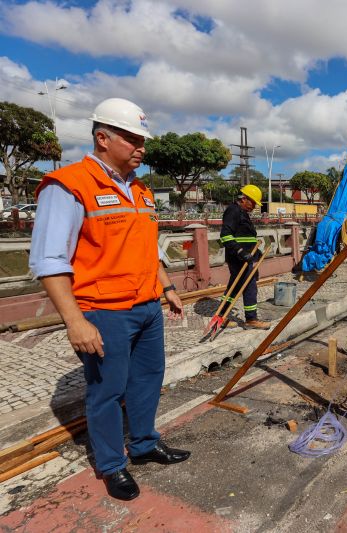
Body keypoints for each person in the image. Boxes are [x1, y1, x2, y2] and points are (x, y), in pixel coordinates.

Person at [29, 98, 190, 501]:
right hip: (104, 311)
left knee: (148, 380)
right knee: (107, 391)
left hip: (147, 306)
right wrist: (75, 321)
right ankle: (112, 464)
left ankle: (144, 444)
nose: (141, 148)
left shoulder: (141, 191)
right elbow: (49, 260)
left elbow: (148, 250)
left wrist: (167, 288)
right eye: (133, 139)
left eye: (143, 140)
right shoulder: (68, 186)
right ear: (103, 138)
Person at [219, 185, 271, 329]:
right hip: (238, 258)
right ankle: (251, 319)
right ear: (244, 199)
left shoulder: (242, 212)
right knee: (250, 286)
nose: (254, 206)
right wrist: (241, 251)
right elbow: (225, 235)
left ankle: (221, 316)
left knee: (234, 287)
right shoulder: (233, 211)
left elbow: (244, 236)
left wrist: (256, 252)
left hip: (245, 257)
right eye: (253, 202)